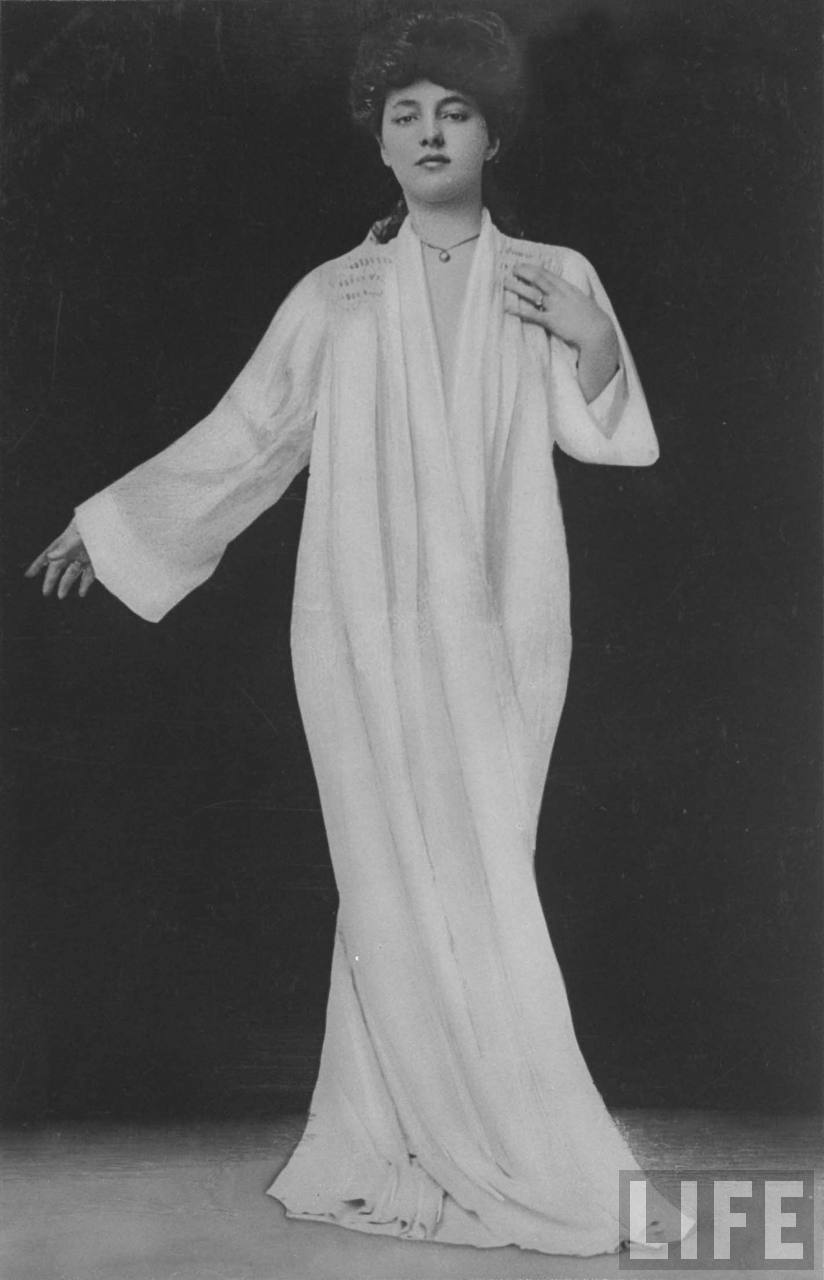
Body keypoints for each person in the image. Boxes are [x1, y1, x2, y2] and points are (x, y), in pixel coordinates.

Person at [26, 6, 693, 1259]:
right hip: (359, 623)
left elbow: (608, 436)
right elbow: (247, 438)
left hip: (504, 618)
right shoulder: (332, 295)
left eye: (454, 113)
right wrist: (108, 527)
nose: (430, 133)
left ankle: (500, 1139)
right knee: (388, 869)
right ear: (379, 143)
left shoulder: (552, 272)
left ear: (493, 134)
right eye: (405, 115)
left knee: (481, 864)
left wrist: (594, 338)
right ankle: (390, 1139)